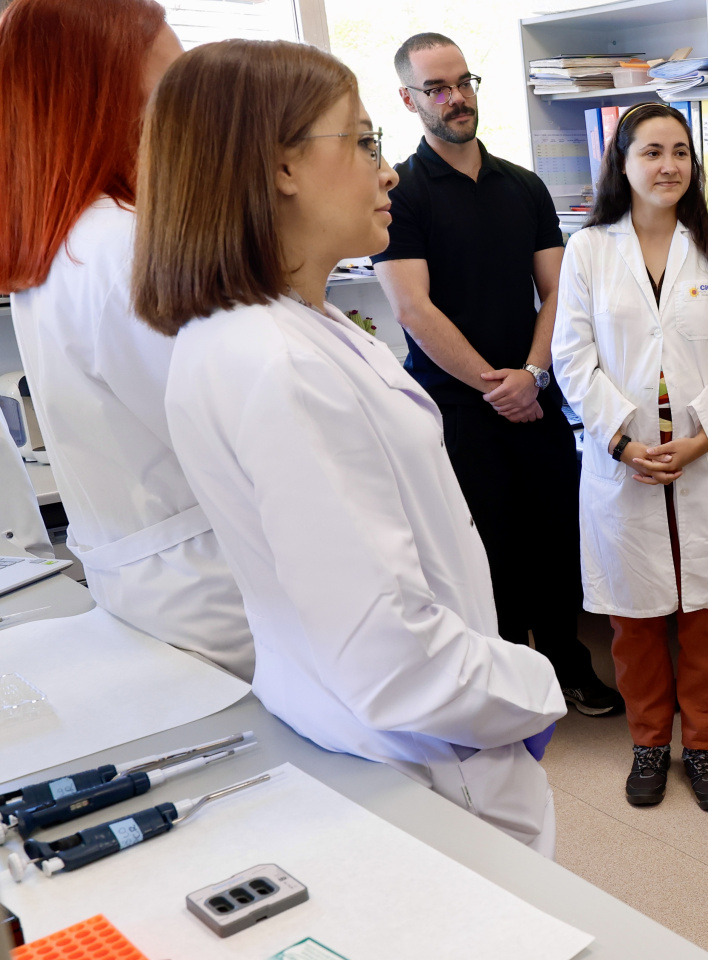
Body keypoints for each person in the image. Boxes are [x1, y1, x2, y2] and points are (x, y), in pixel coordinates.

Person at [134, 38, 566, 855]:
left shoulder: (285, 328)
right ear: (281, 166)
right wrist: (529, 686)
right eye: (363, 141)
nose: (388, 168)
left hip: (371, 730)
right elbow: (393, 654)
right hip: (419, 760)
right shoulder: (281, 363)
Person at [0, 0, 253, 679]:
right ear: (103, 105)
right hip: (218, 595)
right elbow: (245, 437)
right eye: (167, 101)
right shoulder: (121, 248)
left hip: (157, 588)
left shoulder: (63, 242)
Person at [372, 32, 620, 718]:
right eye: (438, 88)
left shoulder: (525, 186)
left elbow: (559, 293)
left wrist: (533, 375)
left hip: (533, 398)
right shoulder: (402, 192)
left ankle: (570, 665)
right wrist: (495, 384)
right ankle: (511, 683)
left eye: (464, 82)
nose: (457, 99)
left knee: (554, 536)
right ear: (409, 99)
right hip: (457, 407)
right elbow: (412, 310)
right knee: (489, 551)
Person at [554, 102, 708, 812]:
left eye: (680, 151)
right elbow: (571, 357)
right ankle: (650, 741)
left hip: (706, 454)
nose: (668, 165)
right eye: (652, 152)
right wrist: (620, 438)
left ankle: (703, 747)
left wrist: (702, 433)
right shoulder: (588, 250)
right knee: (635, 613)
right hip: (626, 457)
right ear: (623, 162)